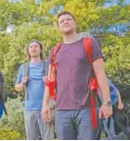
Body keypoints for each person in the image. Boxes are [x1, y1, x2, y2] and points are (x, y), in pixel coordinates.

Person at [41, 11, 113, 140]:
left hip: (87, 108)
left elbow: (101, 75)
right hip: (61, 110)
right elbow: (50, 82)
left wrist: (107, 103)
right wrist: (45, 105)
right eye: (61, 21)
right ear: (58, 28)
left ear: (75, 23)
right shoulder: (55, 50)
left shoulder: (89, 44)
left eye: (68, 19)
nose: (65, 22)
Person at [15, 40, 54, 140]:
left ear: (40, 49)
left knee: (47, 138)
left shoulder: (48, 66)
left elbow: (57, 85)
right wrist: (22, 83)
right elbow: (17, 88)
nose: (33, 48)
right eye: (31, 47)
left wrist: (49, 82)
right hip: (29, 109)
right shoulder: (23, 67)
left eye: (36, 46)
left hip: (45, 108)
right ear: (28, 50)